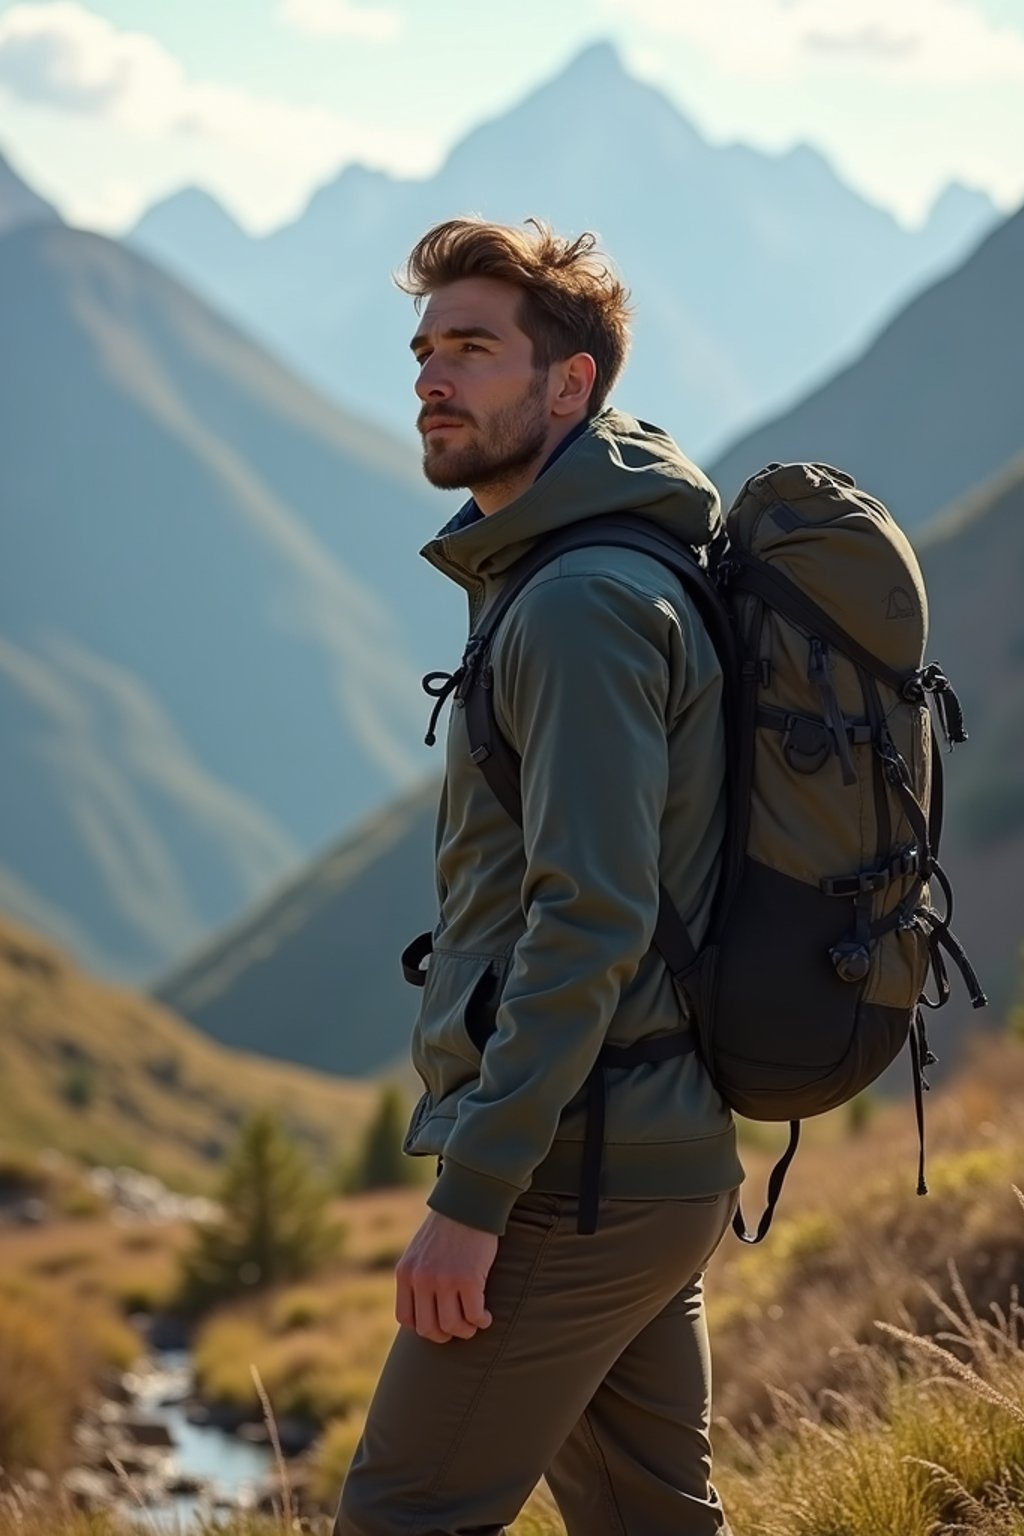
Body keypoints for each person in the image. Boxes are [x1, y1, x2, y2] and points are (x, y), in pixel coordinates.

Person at [333, 217, 744, 1536]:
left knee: (402, 1515)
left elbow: (592, 918)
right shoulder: (604, 565)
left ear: (571, 386)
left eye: (472, 348)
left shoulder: (576, 603)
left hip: (577, 1173)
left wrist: (474, 1199)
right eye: (423, 350)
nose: (431, 380)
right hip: (648, 1152)